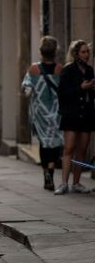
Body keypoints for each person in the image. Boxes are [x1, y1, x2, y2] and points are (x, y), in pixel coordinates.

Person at [21, 36, 64, 191]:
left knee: (43, 142)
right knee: (55, 142)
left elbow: (26, 88)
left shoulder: (33, 69)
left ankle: (46, 172)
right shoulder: (60, 69)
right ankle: (51, 170)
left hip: (39, 113)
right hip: (56, 112)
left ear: (41, 51)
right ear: (55, 53)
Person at [54, 39, 94, 195]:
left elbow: (90, 94)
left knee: (82, 149)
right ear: (76, 54)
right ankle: (64, 183)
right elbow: (63, 94)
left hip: (86, 114)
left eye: (88, 51)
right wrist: (81, 88)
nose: (86, 55)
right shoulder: (68, 70)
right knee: (69, 148)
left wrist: (91, 89)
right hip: (71, 114)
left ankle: (76, 183)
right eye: (83, 52)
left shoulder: (90, 70)